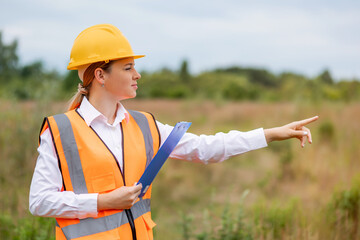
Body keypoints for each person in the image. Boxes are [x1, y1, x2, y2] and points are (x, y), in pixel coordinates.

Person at [29, 24, 318, 240]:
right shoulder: (60, 130)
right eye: (128, 67)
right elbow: (39, 201)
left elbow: (205, 149)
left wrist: (269, 134)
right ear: (100, 75)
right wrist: (103, 201)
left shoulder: (145, 124)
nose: (137, 74)